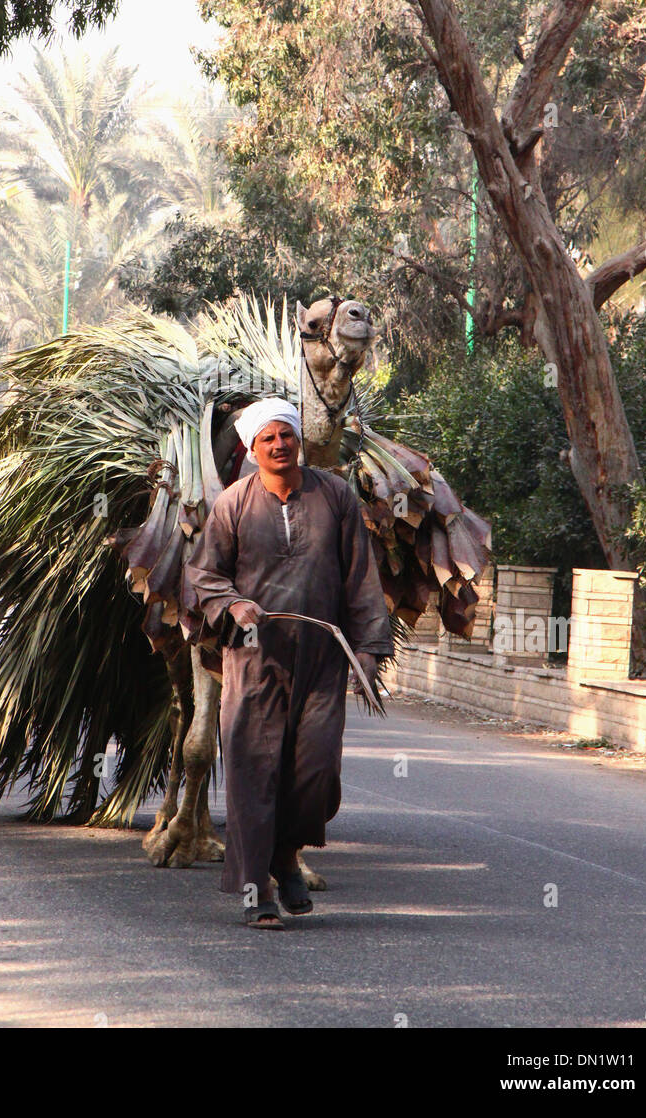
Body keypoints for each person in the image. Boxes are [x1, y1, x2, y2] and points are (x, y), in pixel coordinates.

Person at [187, 397, 393, 929]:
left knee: (316, 771)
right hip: (254, 661)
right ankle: (258, 891)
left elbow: (361, 580)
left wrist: (368, 650)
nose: (280, 445)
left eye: (287, 435)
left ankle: (286, 853)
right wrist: (233, 603)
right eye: (268, 438)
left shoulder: (336, 497)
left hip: (322, 659)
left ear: (299, 439)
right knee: (254, 775)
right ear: (253, 449)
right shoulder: (233, 504)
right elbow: (204, 576)